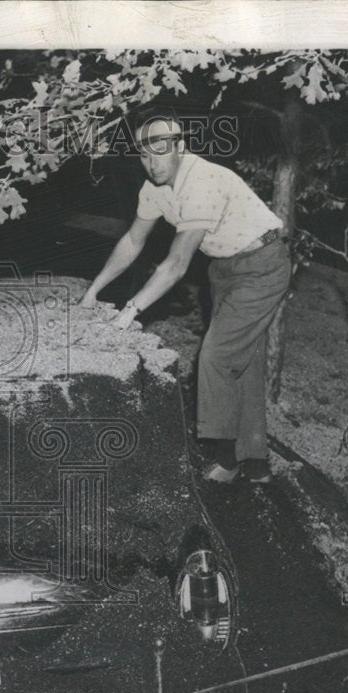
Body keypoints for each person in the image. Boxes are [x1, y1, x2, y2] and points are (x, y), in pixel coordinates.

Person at [80, 113, 291, 484]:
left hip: (262, 263)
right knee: (244, 359)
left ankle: (226, 459)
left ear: (180, 146)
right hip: (223, 268)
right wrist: (94, 289)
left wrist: (129, 311)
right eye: (143, 156)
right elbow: (132, 241)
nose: (151, 164)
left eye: (159, 153)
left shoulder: (203, 180)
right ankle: (255, 461)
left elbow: (176, 264)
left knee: (216, 355)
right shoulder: (154, 188)